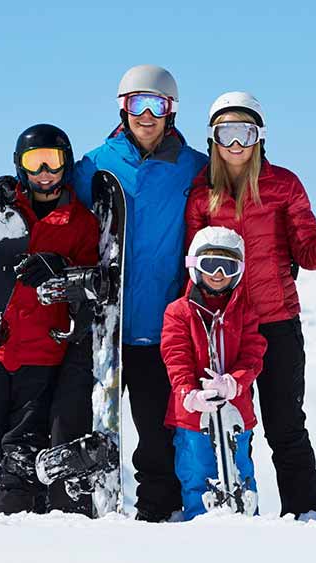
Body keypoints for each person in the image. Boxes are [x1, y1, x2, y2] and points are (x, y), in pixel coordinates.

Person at [185, 92, 316, 519]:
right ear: (213, 139)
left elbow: (308, 253)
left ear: (260, 137)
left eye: (244, 133)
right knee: (228, 426)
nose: (235, 144)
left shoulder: (282, 185)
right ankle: (231, 514)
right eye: (225, 133)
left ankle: (307, 513)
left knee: (285, 426)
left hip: (276, 325)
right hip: (223, 328)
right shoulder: (201, 197)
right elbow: (191, 268)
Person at [72, 65, 208, 521]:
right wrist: (9, 191)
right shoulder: (93, 165)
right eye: (136, 104)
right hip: (102, 328)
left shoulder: (192, 167)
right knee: (88, 428)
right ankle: (80, 516)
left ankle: (159, 519)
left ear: (171, 112)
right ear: (122, 109)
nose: (146, 115)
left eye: (157, 105)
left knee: (156, 434)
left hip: (161, 326)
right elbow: (52, 206)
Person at [0, 124, 99, 515]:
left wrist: (61, 268)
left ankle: (18, 532)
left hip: (44, 354)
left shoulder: (79, 222)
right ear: (20, 166)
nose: (45, 172)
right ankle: (36, 510)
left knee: (19, 454)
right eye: (34, 162)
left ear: (67, 165)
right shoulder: (4, 211)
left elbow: (93, 281)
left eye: (53, 161)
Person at [161, 226, 267, 521]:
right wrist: (188, 394)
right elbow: (176, 356)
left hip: (236, 413)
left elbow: (253, 354)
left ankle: (248, 528)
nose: (218, 273)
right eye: (210, 264)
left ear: (239, 271)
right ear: (195, 266)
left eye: (228, 266)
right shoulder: (178, 312)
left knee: (241, 472)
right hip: (193, 415)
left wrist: (235, 382)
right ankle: (200, 529)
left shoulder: (245, 312)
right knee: (197, 474)